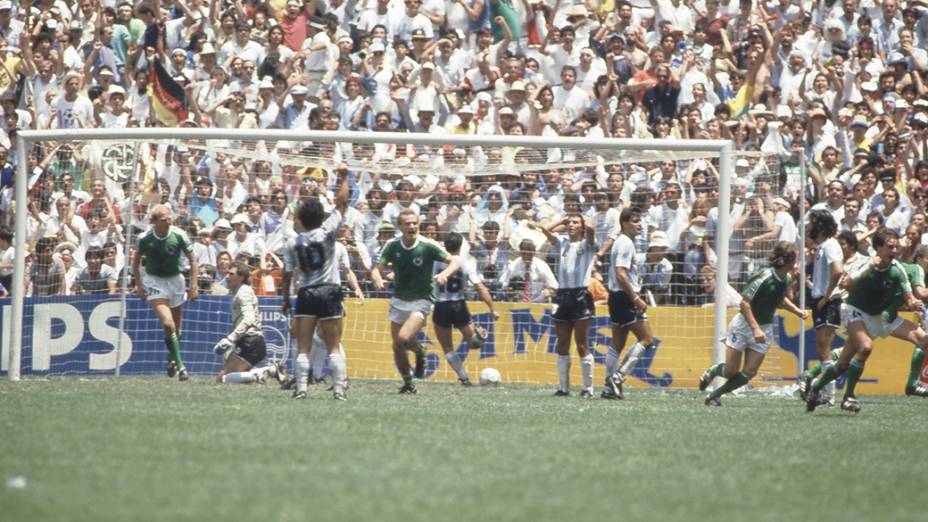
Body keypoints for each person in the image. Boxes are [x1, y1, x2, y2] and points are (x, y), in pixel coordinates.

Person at [806, 228, 927, 413]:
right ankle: (848, 397)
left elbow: (909, 296)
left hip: (883, 317)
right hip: (856, 312)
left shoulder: (897, 268)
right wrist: (870, 266)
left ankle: (815, 387)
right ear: (878, 247)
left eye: (896, 247)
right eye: (890, 247)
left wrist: (913, 303)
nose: (894, 251)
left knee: (924, 341)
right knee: (864, 348)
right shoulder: (863, 263)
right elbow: (846, 284)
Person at [700, 242, 807, 406]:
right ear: (789, 261)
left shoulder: (786, 278)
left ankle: (715, 395)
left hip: (764, 329)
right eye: (796, 259)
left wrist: (797, 311)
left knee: (750, 371)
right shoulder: (764, 276)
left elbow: (779, 300)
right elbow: (744, 303)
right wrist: (755, 328)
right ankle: (713, 371)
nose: (798, 262)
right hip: (744, 326)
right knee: (731, 371)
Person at [371, 209, 461, 394]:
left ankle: (419, 351)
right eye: (408, 224)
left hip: (422, 300)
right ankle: (408, 383)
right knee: (397, 345)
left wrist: (444, 274)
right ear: (400, 226)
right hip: (399, 299)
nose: (412, 226)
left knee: (404, 338)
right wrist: (377, 278)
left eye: (415, 223)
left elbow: (456, 261)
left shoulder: (427, 245)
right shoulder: (392, 245)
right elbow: (376, 269)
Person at [280, 166, 350, 400]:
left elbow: (287, 274)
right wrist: (343, 176)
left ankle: (301, 388)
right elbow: (342, 203)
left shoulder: (292, 243)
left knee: (303, 346)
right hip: (329, 291)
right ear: (321, 217)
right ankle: (339, 389)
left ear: (300, 220)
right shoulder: (327, 233)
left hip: (307, 292)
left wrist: (286, 300)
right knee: (333, 345)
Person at [529, 213, 597, 398]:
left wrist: (584, 220)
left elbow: (591, 230)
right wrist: (562, 220)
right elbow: (545, 229)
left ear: (582, 226)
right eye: (570, 223)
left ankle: (588, 388)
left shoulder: (587, 245)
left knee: (582, 344)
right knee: (562, 343)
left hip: (580, 295)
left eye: (575, 223)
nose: (571, 225)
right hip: (564, 295)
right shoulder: (562, 243)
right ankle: (563, 388)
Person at [133, 204, 199, 381]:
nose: (168, 220)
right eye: (164, 219)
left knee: (176, 329)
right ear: (154, 221)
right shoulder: (144, 238)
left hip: (175, 281)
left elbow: (193, 259)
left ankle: (171, 359)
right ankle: (181, 366)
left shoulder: (179, 234)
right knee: (168, 325)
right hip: (154, 282)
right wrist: (139, 285)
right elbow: (136, 262)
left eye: (170, 217)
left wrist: (194, 286)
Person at [432, 232, 499, 386]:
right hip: (459, 305)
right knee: (474, 344)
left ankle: (464, 377)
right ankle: (480, 336)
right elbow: (481, 288)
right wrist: (492, 308)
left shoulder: (435, 262)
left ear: (444, 245)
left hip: (441, 305)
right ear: (461, 246)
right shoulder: (465, 263)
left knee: (447, 347)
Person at [603, 208, 656, 400]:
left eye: (639, 221)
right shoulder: (625, 243)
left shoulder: (623, 242)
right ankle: (618, 377)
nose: (639, 224)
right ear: (624, 223)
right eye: (635, 221)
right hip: (625, 297)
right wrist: (636, 298)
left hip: (616, 297)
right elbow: (620, 273)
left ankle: (608, 387)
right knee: (647, 339)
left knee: (617, 343)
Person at [212, 262, 286, 385]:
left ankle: (270, 370)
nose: (227, 277)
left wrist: (231, 338)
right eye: (227, 274)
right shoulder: (239, 291)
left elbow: (249, 319)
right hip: (250, 341)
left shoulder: (243, 292)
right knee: (238, 378)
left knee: (222, 378)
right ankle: (263, 373)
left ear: (241, 277)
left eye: (231, 274)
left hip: (251, 342)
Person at [800, 210, 843, 406]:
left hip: (829, 302)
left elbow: (838, 270)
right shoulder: (821, 247)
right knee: (821, 349)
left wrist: (826, 297)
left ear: (822, 226)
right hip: (821, 301)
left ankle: (829, 395)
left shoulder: (831, 245)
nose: (810, 227)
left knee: (824, 349)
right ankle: (827, 393)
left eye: (813, 223)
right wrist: (812, 286)